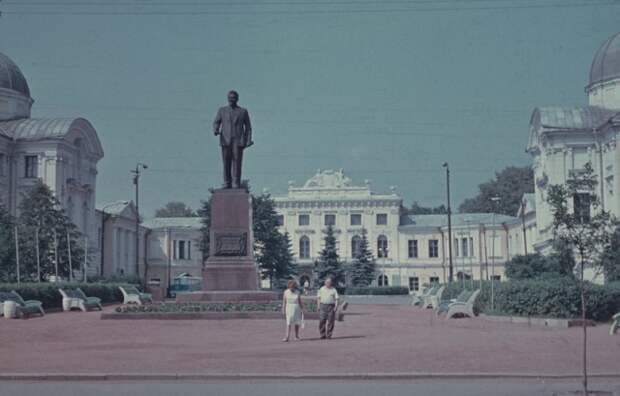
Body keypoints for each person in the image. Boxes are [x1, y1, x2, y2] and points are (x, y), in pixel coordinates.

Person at [212, 90, 253, 189]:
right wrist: (216, 129)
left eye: (233, 98)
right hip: (225, 140)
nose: (231, 99)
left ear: (237, 99)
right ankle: (226, 182)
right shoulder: (222, 110)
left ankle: (236, 182)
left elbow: (248, 127)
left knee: (237, 163)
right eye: (230, 98)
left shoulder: (243, 111)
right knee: (226, 162)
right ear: (227, 98)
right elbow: (216, 122)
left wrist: (248, 140)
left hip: (238, 141)